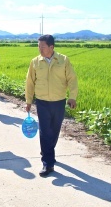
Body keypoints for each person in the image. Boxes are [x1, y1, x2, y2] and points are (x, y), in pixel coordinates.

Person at [25, 34, 78, 177]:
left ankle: (48, 149)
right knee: (44, 131)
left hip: (59, 101)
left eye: (42, 47)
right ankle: (48, 163)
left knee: (54, 130)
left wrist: (72, 97)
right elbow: (30, 82)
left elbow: (72, 79)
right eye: (39, 46)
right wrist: (29, 101)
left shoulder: (63, 60)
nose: (40, 49)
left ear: (51, 47)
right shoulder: (35, 62)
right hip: (42, 102)